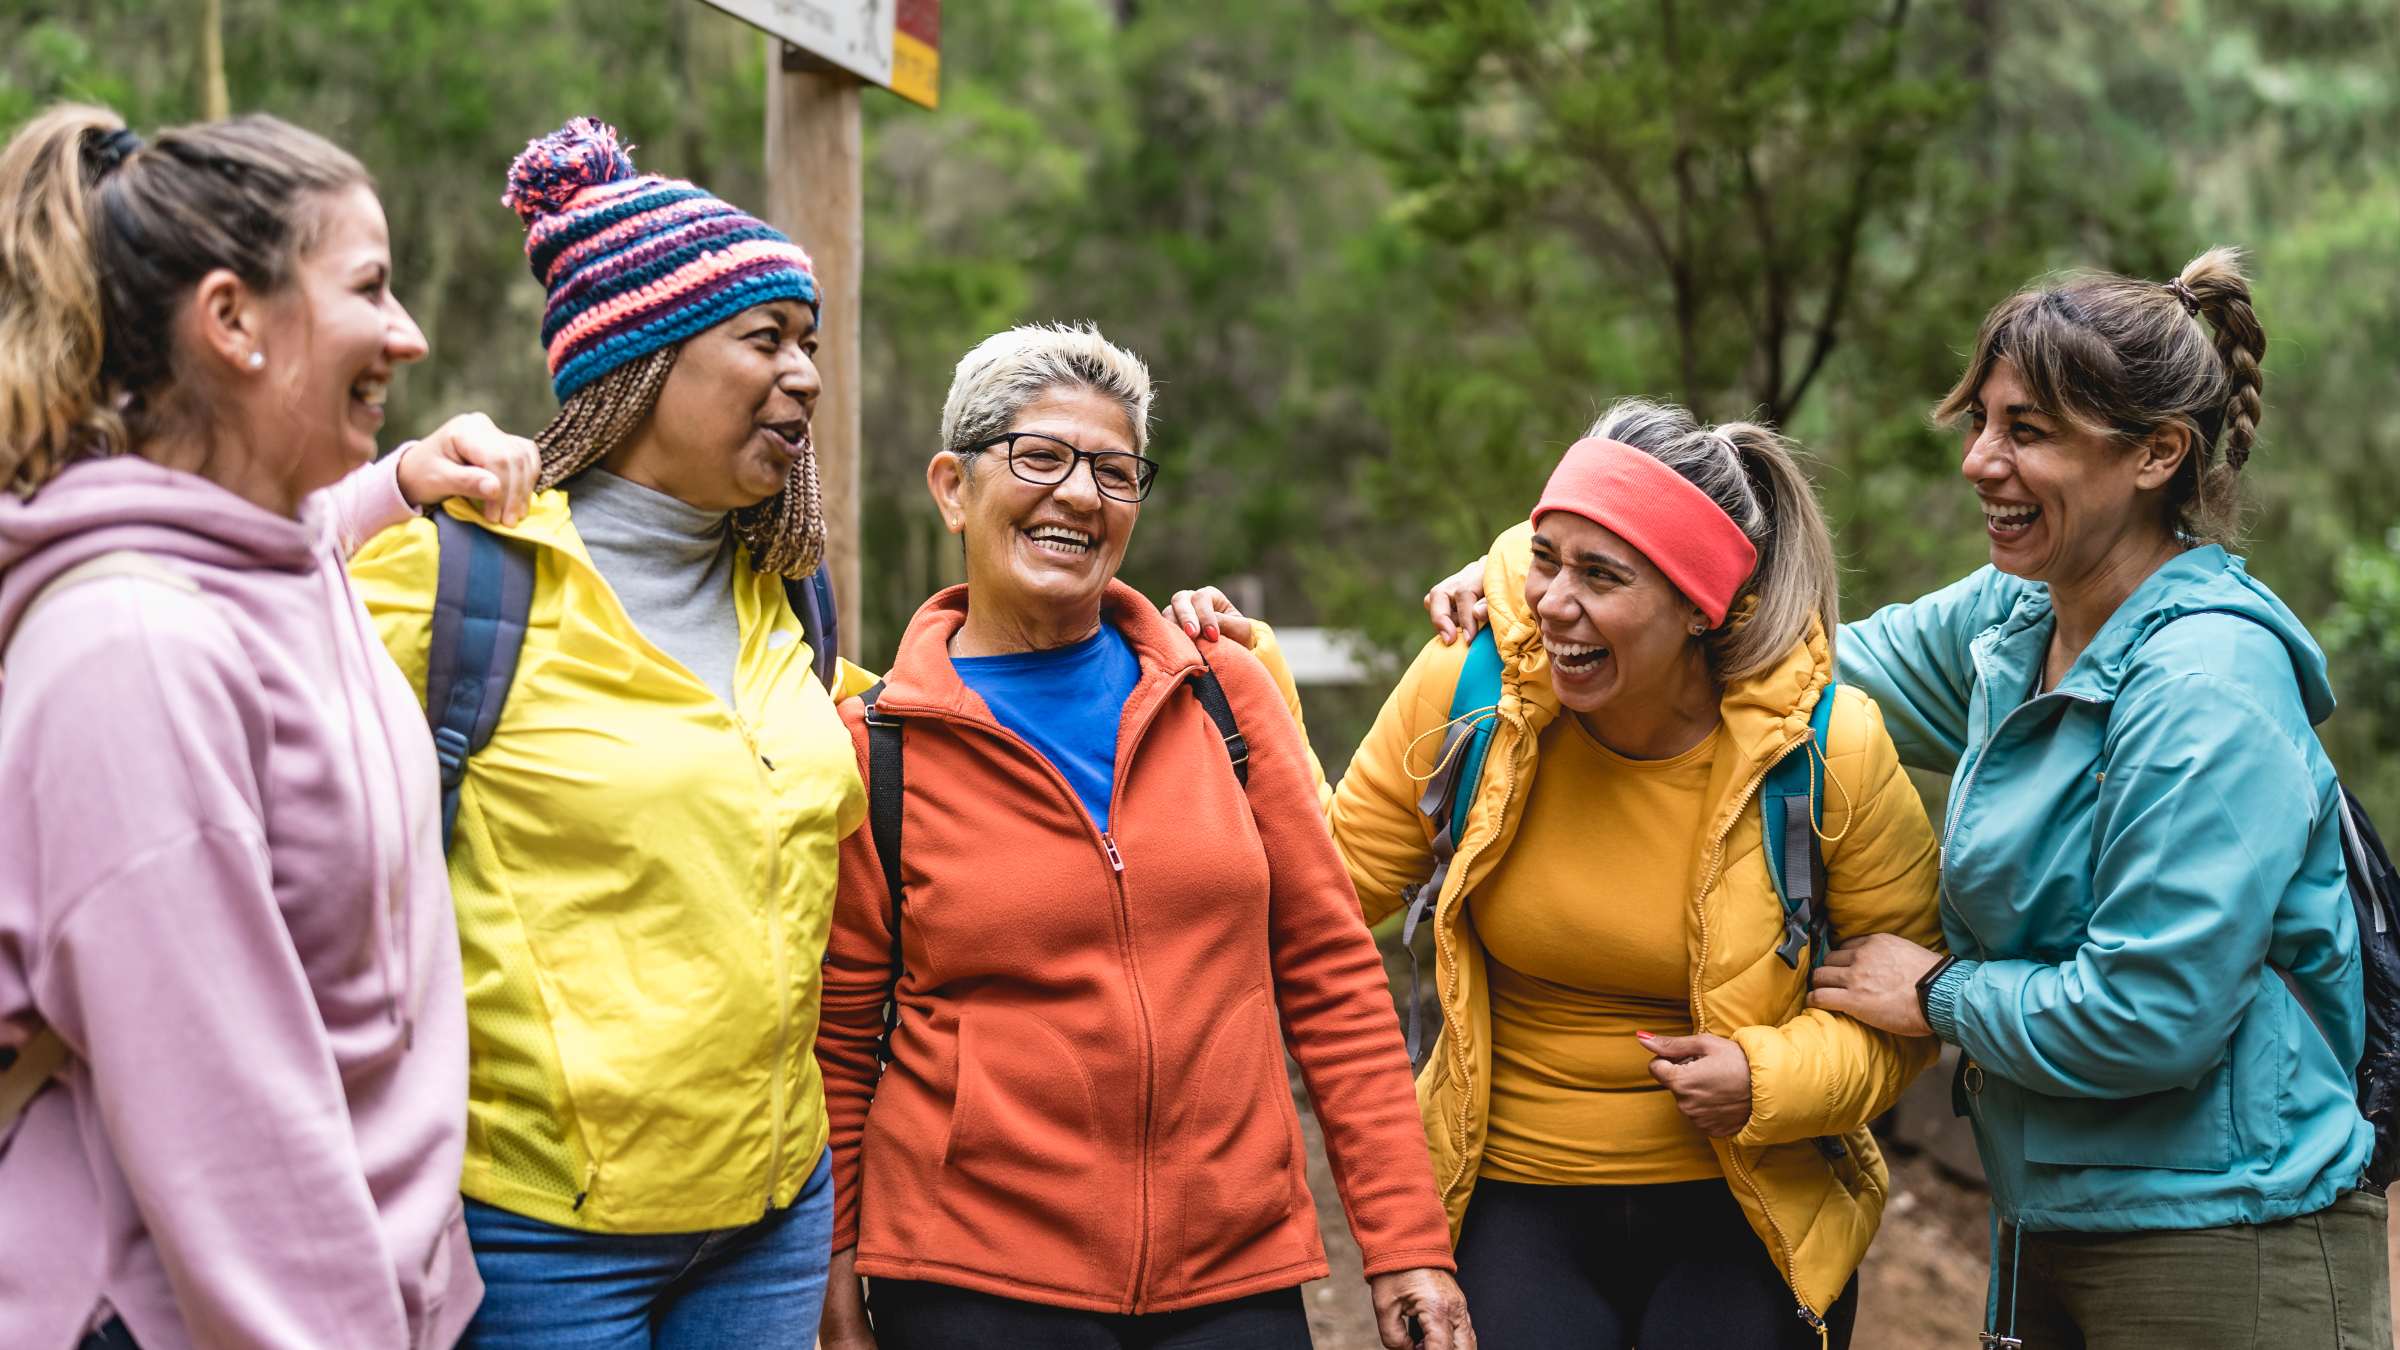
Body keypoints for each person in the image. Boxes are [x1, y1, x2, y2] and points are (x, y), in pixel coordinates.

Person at [1407, 250, 2390, 1348]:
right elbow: (1760, 653)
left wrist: (1937, 997)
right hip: (2056, 1223)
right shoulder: (2013, 625)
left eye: (2028, 431)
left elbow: (2153, 1014)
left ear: (2158, 454)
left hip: (2227, 1242)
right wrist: (1526, 577)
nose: (1979, 459)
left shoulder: (2210, 684)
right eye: (1983, 420)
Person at [1172, 402, 1946, 1349]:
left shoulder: (1827, 750)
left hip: (1745, 1201)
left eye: (1601, 576)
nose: (1552, 603)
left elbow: (1900, 1014)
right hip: (1512, 1192)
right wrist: (1254, 684)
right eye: (1547, 559)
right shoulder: (1475, 695)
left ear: (1700, 607)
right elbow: (1326, 895)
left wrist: (1768, 1077)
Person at [812, 324, 1472, 1350]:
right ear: (953, 488)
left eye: (1114, 472)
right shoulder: (878, 748)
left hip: (1234, 1273)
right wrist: (837, 1272)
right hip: (970, 1278)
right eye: (1040, 457)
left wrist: (1404, 1245)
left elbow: (1334, 978)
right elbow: (841, 1043)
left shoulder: (1224, 699)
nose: (1079, 495)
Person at [0, 104, 533, 1349]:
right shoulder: (133, 656)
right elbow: (230, 1139)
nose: (407, 335)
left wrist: (400, 482)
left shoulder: (274, 544)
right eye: (369, 289)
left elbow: (287, 558)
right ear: (233, 321)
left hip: (372, 1287)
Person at [342, 118, 871, 1348]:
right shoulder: (455, 578)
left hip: (774, 1211)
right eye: (764, 340)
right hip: (537, 1232)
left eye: (809, 344)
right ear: (641, 363)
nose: (803, 374)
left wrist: (1113, 638)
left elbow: (885, 727)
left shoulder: (789, 592)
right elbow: (222, 636)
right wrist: (382, 486)